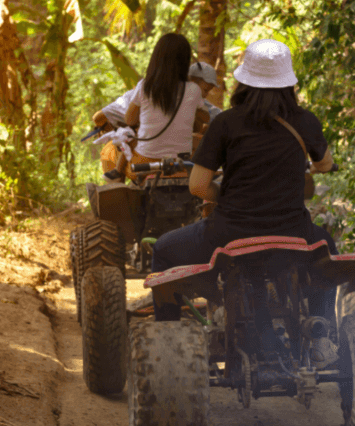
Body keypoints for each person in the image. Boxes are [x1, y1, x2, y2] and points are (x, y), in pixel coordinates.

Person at [150, 39, 337, 357]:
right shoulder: (305, 121)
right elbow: (325, 164)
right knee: (327, 252)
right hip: (293, 233)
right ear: (288, 82)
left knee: (163, 251)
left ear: (243, 80)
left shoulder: (225, 123)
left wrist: (219, 197)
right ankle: (321, 329)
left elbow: (198, 186)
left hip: (230, 234)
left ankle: (168, 346)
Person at [102, 33, 208, 182]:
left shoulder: (146, 86)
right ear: (186, 61)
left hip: (145, 163)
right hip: (180, 164)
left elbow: (130, 120)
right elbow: (201, 119)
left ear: (156, 59)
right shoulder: (194, 90)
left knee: (109, 151)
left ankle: (118, 190)